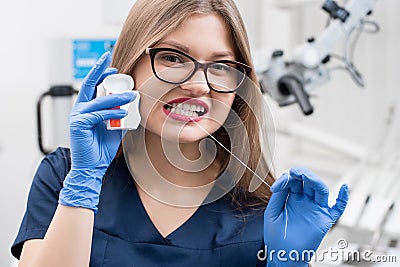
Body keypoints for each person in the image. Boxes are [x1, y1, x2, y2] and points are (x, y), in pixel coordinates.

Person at [11, 0, 349, 266]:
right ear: (130, 65)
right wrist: (83, 187)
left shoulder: (262, 210)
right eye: (173, 58)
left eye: (220, 66)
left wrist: (287, 265)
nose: (198, 85)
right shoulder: (65, 176)